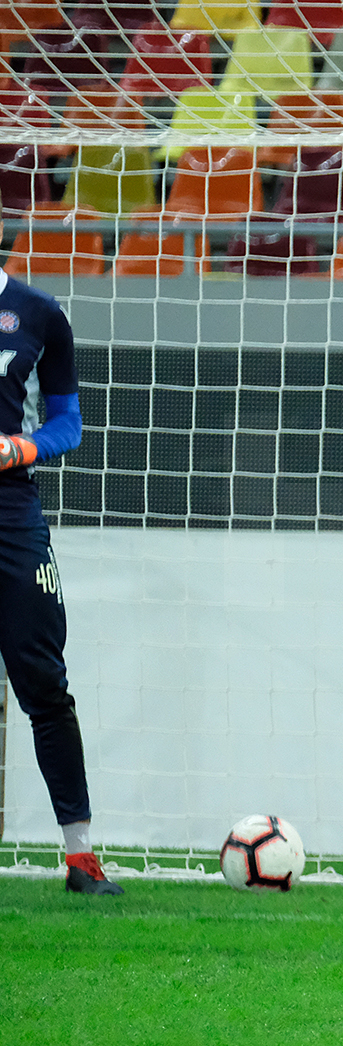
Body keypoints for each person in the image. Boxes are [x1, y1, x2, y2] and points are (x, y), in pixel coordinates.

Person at [0, 262, 121, 896]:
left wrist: (22, 448)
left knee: (45, 685)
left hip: (11, 515)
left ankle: (80, 859)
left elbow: (67, 423)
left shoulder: (39, 313)